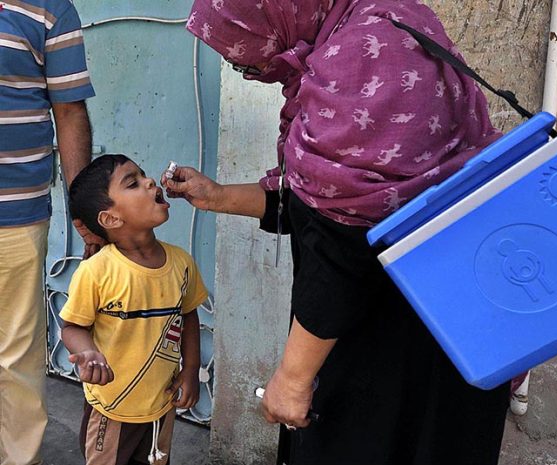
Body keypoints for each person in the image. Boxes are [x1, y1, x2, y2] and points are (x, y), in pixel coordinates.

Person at [170, 0, 511, 463]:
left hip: (395, 350)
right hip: (448, 318)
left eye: (240, 53)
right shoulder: (378, 23)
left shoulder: (362, 60)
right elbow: (317, 201)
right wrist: (217, 197)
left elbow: (340, 246)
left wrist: (292, 378)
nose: (247, 68)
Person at [60, 155, 207, 465]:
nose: (149, 181)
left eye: (143, 174)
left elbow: (189, 315)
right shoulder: (97, 271)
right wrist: (87, 353)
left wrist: (191, 369)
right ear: (111, 219)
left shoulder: (181, 263)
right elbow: (72, 327)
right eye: (133, 182)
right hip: (112, 408)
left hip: (162, 405)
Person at [0, 1, 99, 463]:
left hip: (15, 212)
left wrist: (85, 212)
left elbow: (70, 111)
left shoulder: (49, 9)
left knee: (15, 352)